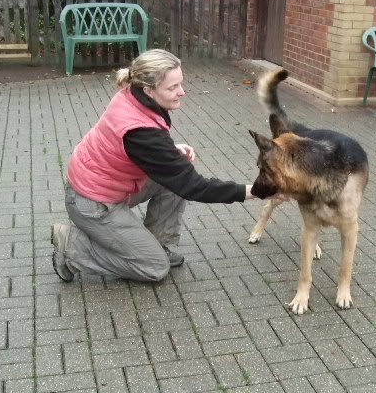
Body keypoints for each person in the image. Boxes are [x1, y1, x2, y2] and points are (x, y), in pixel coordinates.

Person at [50, 49, 257, 283]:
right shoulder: (140, 131)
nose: (182, 92)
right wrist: (253, 192)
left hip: (100, 184)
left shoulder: (133, 93)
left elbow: (129, 146)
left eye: (180, 84)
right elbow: (195, 187)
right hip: (93, 203)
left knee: (175, 174)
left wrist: (168, 152)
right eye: (172, 88)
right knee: (154, 268)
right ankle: (73, 247)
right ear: (149, 89)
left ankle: (157, 245)